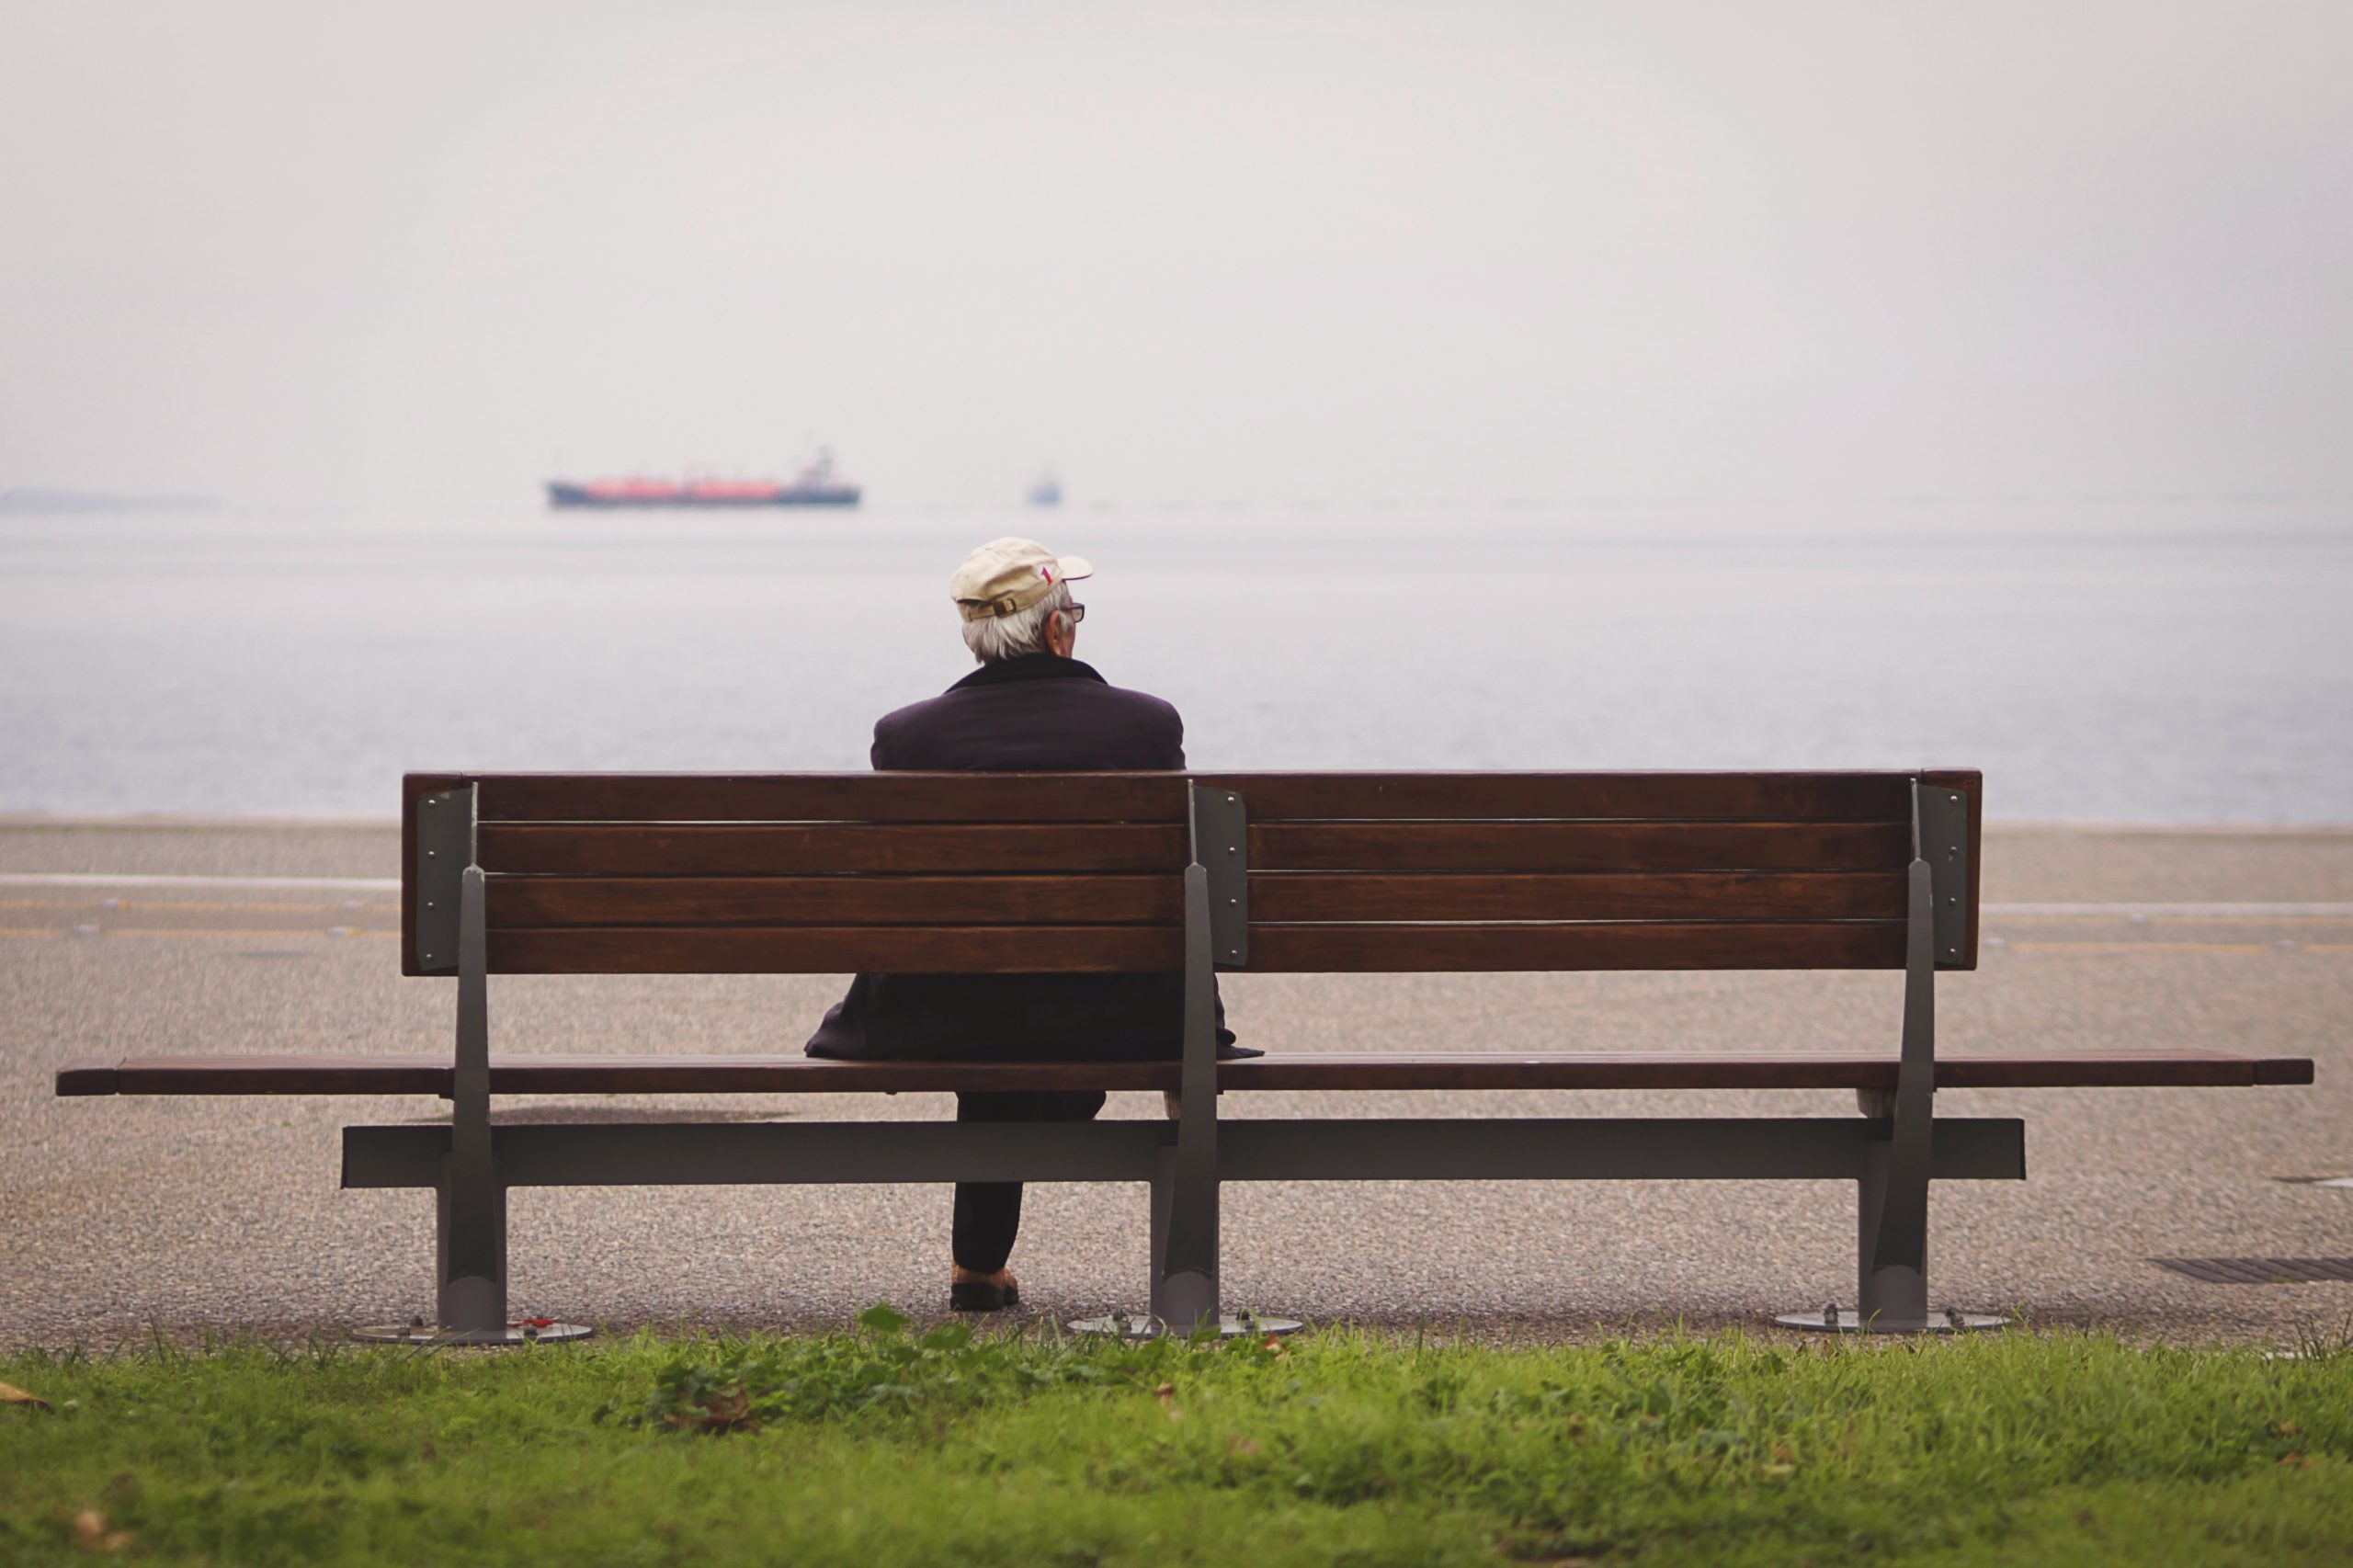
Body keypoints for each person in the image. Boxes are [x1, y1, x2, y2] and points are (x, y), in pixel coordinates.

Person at [805, 537, 1249, 1312]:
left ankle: (978, 1267)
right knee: (1044, 994)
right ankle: (1172, 1276)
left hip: (943, 1017)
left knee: (992, 989)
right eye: (1071, 610)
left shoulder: (909, 739)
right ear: (1055, 633)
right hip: (1124, 1019)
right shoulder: (1144, 728)